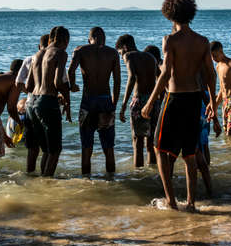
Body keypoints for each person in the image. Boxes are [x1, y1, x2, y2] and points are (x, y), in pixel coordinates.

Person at [141, 0, 217, 211]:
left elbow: (165, 75)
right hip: (194, 99)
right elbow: (210, 75)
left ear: (169, 14)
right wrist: (212, 102)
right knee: (190, 153)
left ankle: (172, 201)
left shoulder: (170, 40)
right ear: (190, 13)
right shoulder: (203, 41)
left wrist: (150, 102)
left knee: (159, 149)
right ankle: (191, 203)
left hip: (174, 99)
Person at [68, 27, 121, 176]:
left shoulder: (81, 50)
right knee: (109, 148)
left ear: (89, 39)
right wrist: (114, 104)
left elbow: (70, 71)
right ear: (104, 38)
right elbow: (117, 81)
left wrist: (72, 86)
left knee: (86, 148)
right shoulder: (112, 53)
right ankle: (112, 182)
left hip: (88, 101)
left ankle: (86, 181)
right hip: (105, 101)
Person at [26, 26, 71, 176]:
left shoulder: (37, 55)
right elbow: (58, 82)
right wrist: (67, 95)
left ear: (51, 38)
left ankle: (41, 182)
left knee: (46, 149)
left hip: (32, 103)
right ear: (65, 40)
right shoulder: (60, 53)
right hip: (47, 102)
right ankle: (47, 183)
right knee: (55, 150)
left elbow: (28, 86)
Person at [116, 34, 158, 167]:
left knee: (138, 142)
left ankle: (139, 176)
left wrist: (123, 105)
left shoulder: (128, 56)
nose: (121, 56)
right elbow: (160, 78)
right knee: (151, 142)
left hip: (139, 101)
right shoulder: (151, 57)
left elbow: (132, 78)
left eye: (120, 52)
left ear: (124, 47)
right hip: (153, 101)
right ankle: (152, 174)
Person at [210, 41, 231, 136]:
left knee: (230, 131)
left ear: (221, 51)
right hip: (224, 101)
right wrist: (214, 106)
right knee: (226, 131)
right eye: (211, 57)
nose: (213, 59)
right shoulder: (218, 66)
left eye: (215, 56)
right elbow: (222, 88)